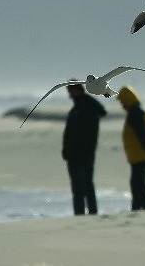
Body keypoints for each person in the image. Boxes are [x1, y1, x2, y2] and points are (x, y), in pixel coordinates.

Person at [62, 83, 107, 215]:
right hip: (81, 152)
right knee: (85, 185)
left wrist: (69, 149)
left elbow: (78, 133)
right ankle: (87, 212)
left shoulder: (84, 107)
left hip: (80, 153)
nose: (69, 94)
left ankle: (82, 213)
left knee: (81, 186)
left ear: (76, 90)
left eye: (70, 91)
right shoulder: (81, 106)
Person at [117, 85, 145, 211]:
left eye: (122, 101)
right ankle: (142, 208)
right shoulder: (140, 110)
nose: (122, 104)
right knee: (138, 183)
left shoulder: (135, 113)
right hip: (140, 154)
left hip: (140, 154)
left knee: (137, 184)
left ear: (128, 99)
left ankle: (140, 209)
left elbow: (142, 134)